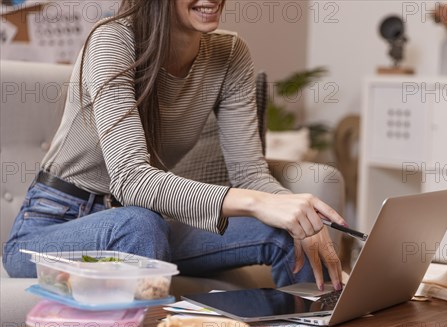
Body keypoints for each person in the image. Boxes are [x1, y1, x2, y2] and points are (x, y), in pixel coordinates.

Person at [2, 0, 345, 291]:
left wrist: (293, 212)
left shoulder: (230, 53)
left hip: (144, 224)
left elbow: (250, 174)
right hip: (53, 228)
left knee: (286, 233)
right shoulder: (112, 40)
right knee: (138, 225)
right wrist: (257, 203)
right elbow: (131, 179)